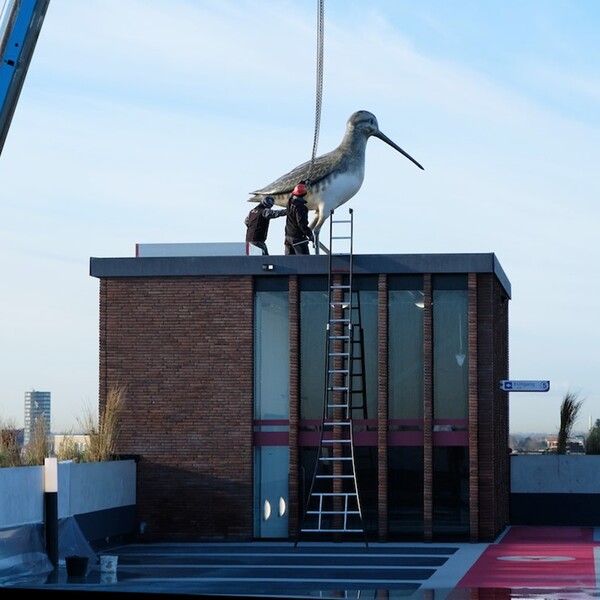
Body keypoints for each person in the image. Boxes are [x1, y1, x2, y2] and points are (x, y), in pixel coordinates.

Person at [284, 182, 314, 255]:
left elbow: (292, 195)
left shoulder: (290, 203)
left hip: (288, 237)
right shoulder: (301, 208)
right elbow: (302, 224)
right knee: (304, 262)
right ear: (304, 194)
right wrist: (309, 234)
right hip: (298, 239)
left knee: (289, 262)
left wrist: (301, 183)